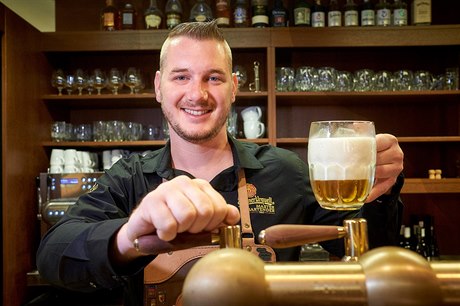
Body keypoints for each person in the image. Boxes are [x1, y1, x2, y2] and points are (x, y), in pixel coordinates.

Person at [37, 20, 404, 306]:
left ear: (233, 88)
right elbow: (54, 256)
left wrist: (381, 192)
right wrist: (129, 236)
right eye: (181, 77)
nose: (197, 94)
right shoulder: (128, 178)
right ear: (159, 87)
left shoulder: (285, 170)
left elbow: (371, 249)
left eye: (213, 78)